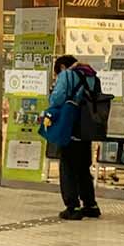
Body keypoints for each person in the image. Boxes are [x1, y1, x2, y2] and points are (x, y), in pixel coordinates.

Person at [39, 55, 101, 220]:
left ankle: (72, 207)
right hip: (86, 127)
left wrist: (53, 91)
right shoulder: (92, 76)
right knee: (83, 167)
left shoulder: (66, 75)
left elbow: (57, 99)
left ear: (62, 67)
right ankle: (90, 205)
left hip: (70, 127)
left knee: (68, 166)